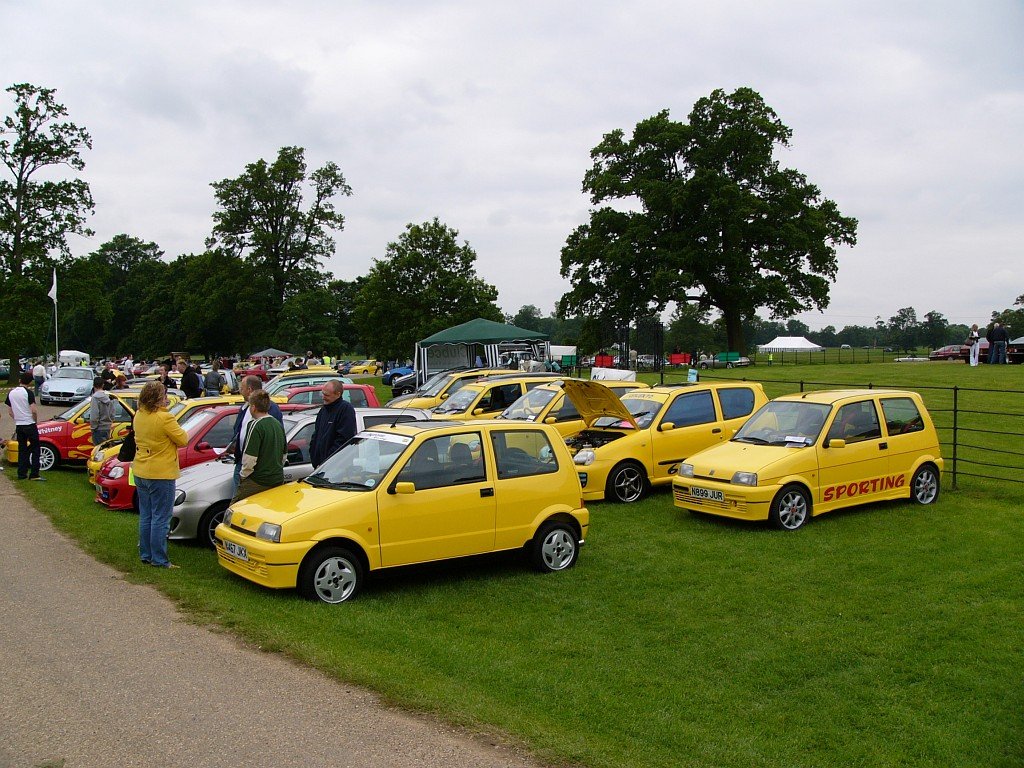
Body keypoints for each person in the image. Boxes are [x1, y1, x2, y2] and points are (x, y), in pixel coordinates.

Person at [132, 381, 188, 568]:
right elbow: (183, 439)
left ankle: (145, 554)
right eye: (163, 395)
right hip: (160, 472)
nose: (166, 398)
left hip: (141, 469)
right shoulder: (165, 418)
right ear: (158, 399)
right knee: (161, 518)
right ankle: (159, 559)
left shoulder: (139, 415)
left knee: (146, 515)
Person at [228, 375, 284, 496]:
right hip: (243, 462)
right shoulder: (245, 407)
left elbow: (266, 443)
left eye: (242, 388)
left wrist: (244, 474)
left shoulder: (267, 413)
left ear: (249, 390)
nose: (239, 391)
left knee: (237, 504)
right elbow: (238, 430)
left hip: (255, 470)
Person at [5, 371, 44, 481]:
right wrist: (34, 421)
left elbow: (10, 411)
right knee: (36, 448)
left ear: (20, 380)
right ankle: (34, 474)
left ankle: (21, 473)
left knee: (22, 449)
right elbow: (34, 410)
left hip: (19, 424)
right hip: (29, 423)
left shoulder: (11, 393)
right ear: (30, 382)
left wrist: (17, 418)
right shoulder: (28, 393)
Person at [309, 379, 357, 469]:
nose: (323, 397)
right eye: (322, 393)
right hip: (320, 467)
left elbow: (343, 440)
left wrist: (327, 461)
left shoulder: (345, 410)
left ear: (338, 394)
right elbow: (316, 435)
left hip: (336, 467)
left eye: (326, 395)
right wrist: (314, 457)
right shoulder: (323, 411)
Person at [89, 376, 114, 446]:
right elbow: (113, 413)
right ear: (103, 385)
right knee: (105, 450)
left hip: (98, 429)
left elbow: (94, 416)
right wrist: (109, 422)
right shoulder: (108, 396)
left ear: (93, 385)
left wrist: (93, 427)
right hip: (107, 427)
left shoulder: (95, 398)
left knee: (98, 451)